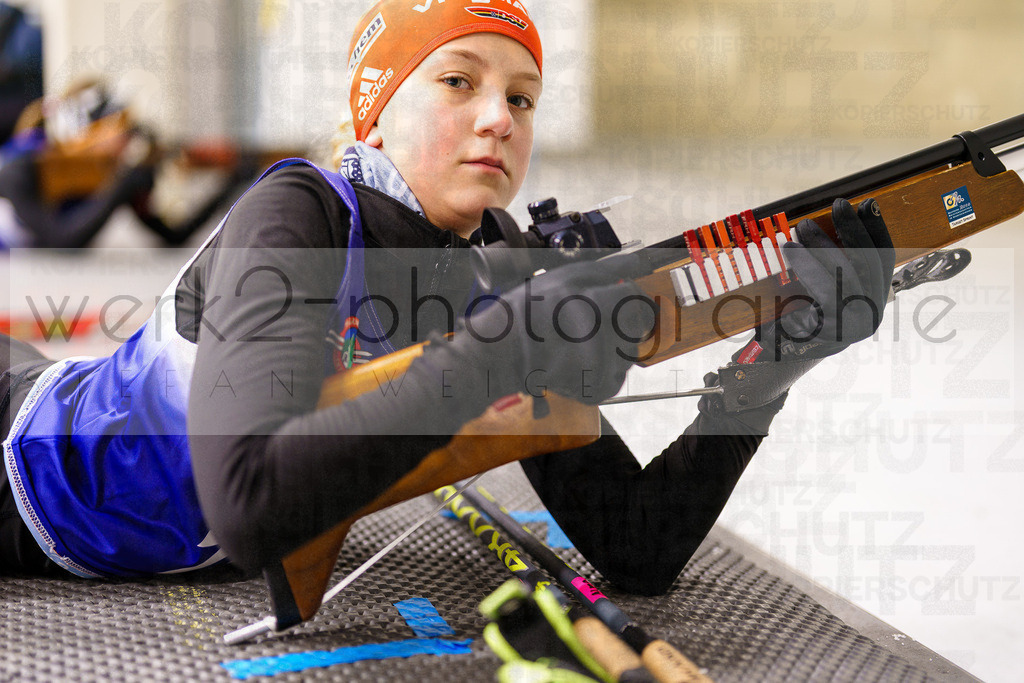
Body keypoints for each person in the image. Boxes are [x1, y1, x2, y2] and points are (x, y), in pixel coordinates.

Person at [0, 0, 894, 600]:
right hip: (25, 473)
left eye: (523, 98)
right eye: (458, 82)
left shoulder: (493, 264)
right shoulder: (298, 216)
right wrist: (512, 340)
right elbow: (247, 513)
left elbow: (637, 546)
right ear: (374, 113)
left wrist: (771, 366)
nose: (500, 118)